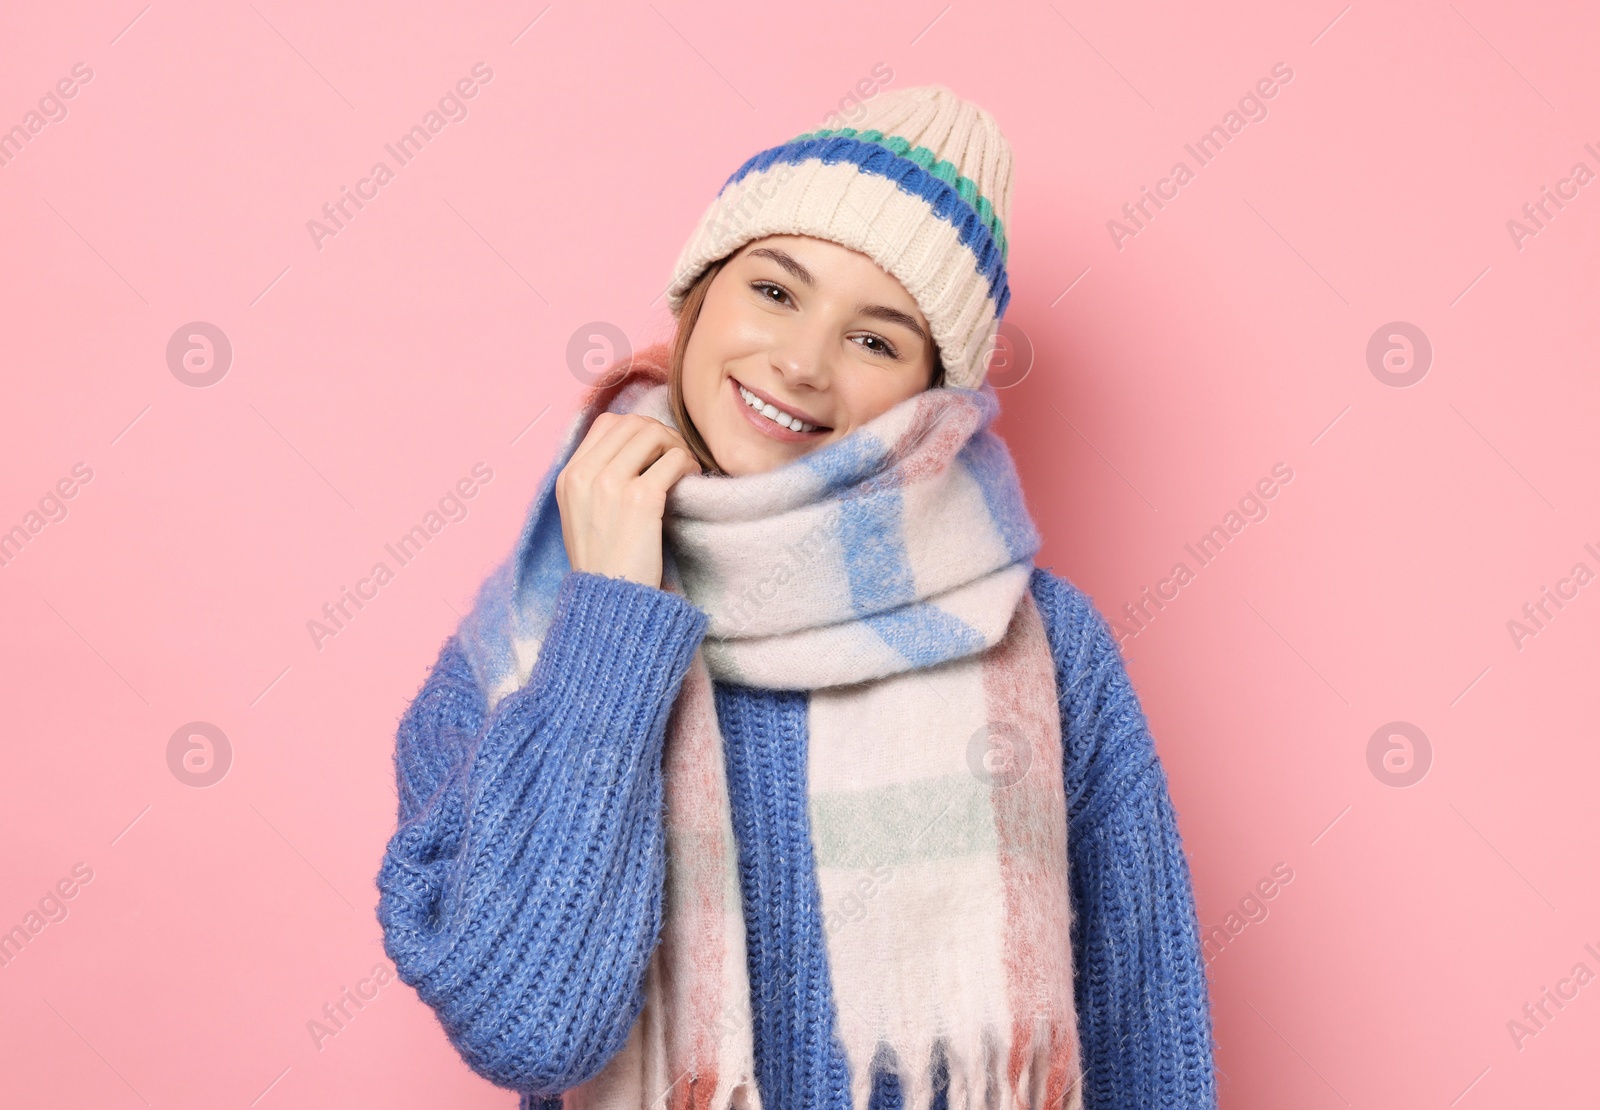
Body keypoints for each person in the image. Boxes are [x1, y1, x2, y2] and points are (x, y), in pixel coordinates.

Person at [375, 84, 1217, 1109]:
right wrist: (610, 614)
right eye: (774, 291)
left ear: (930, 397)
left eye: (876, 340)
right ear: (693, 297)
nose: (802, 362)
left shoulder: (1037, 645)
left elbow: (1145, 1039)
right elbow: (534, 1027)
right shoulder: (528, 633)